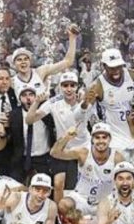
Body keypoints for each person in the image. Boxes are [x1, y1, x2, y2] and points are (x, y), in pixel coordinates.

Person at [88, 48, 134, 194]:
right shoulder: (97, 85)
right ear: (104, 66)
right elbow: (88, 111)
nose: (116, 70)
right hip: (116, 141)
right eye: (112, 67)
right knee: (121, 182)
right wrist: (98, 129)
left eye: (118, 66)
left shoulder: (133, 76)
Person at [26, 70, 95, 201]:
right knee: (58, 184)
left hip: (83, 147)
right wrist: (36, 102)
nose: (69, 89)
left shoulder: (85, 102)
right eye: (65, 85)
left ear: (77, 86)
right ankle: (58, 212)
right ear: (60, 87)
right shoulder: (53, 102)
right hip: (61, 148)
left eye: (72, 85)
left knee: (82, 184)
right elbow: (29, 120)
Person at [49, 122, 124, 215]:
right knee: (64, 204)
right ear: (92, 139)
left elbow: (126, 180)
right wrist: (66, 137)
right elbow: (54, 153)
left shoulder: (117, 157)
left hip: (105, 202)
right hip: (82, 198)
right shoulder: (83, 153)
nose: (101, 141)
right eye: (97, 137)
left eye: (104, 137)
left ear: (110, 139)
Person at [10, 25, 79, 97]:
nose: (23, 62)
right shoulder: (11, 82)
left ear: (30, 62)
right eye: (19, 60)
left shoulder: (40, 72)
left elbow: (68, 61)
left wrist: (72, 38)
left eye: (26, 59)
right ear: (14, 64)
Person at [8, 86, 56, 182]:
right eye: (24, 95)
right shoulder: (14, 114)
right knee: (15, 184)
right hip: (21, 157)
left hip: (43, 158)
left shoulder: (44, 112)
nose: (28, 98)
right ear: (20, 98)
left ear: (35, 97)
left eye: (31, 95)